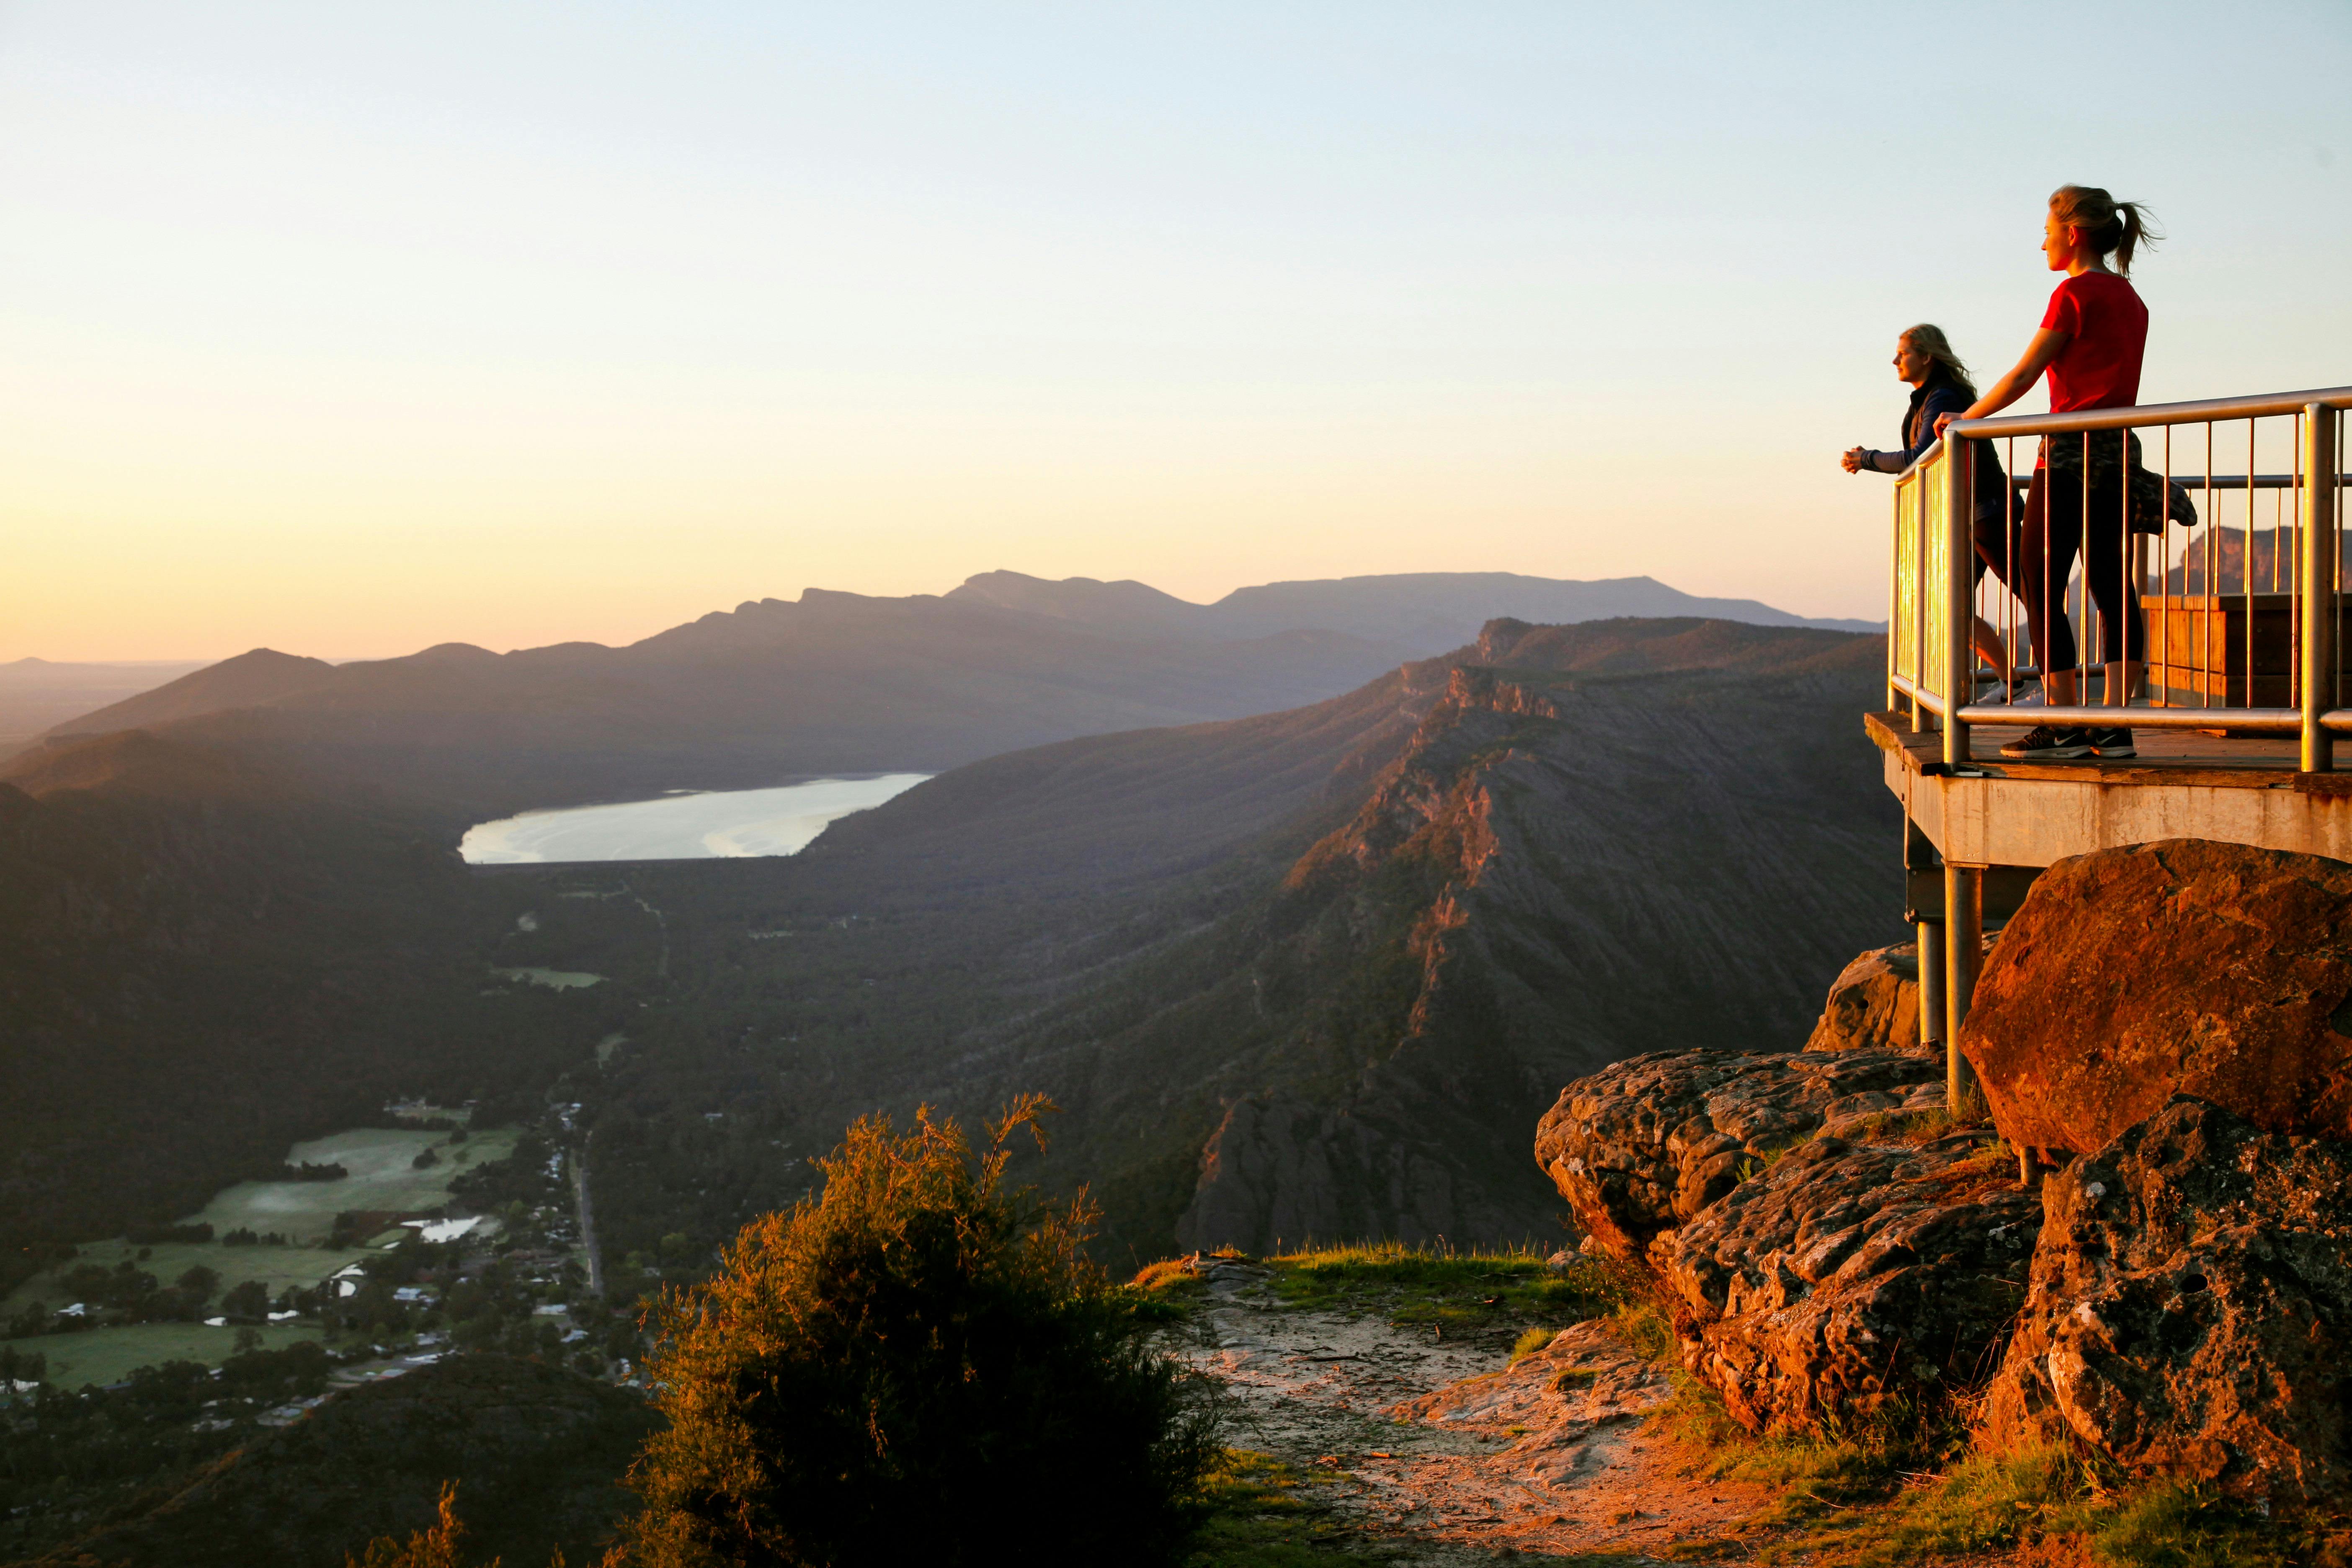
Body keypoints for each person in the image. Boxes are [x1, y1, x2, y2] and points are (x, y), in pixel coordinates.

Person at [1938, 185, 2161, 760]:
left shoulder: (2073, 295)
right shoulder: (2131, 300)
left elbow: (2023, 376)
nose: (2041, 241)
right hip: (2117, 450)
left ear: (2074, 233)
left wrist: (1965, 419)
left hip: (2066, 453)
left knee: (2042, 583)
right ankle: (2115, 725)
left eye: (2047, 230)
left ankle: (2060, 724)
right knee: (2111, 583)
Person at [1843, 324, 2016, 694]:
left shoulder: (1941, 397)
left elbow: (1918, 456)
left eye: (1903, 353)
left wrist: (1866, 459)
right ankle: (2013, 682)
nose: (1895, 361)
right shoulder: (1931, 397)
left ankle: (2041, 689)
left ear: (1927, 357)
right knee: (1951, 607)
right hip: (1976, 513)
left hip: (1986, 511)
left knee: (2032, 596)